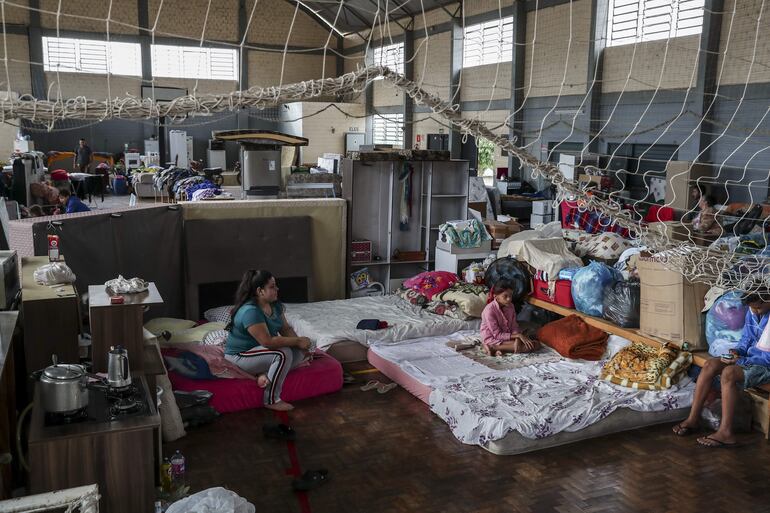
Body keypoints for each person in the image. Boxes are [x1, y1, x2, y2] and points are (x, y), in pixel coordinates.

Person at [673, 293, 770, 447]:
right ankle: (693, 419)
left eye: (759, 307)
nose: (756, 311)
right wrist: (737, 351)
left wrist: (741, 360)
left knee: (729, 374)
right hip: (750, 359)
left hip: (766, 365)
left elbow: (767, 358)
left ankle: (726, 432)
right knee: (710, 365)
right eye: (753, 308)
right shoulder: (753, 312)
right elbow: (746, 338)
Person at [223, 270, 311, 411]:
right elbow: (268, 342)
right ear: (260, 291)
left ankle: (262, 373)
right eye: (272, 286)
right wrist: (297, 341)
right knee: (283, 353)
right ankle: (271, 399)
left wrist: (300, 343)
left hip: (260, 352)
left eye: (275, 285)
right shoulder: (250, 311)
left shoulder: (275, 305)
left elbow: (285, 329)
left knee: (299, 351)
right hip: (240, 356)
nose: (277, 289)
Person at [480, 279, 540, 356]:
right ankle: (493, 347)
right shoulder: (489, 311)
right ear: (496, 297)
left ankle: (498, 349)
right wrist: (518, 336)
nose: (509, 299)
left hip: (508, 336)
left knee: (536, 344)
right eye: (505, 296)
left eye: (510, 295)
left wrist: (518, 338)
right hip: (493, 338)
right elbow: (497, 335)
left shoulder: (510, 306)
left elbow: (514, 326)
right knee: (528, 346)